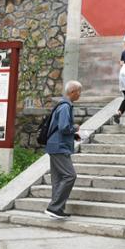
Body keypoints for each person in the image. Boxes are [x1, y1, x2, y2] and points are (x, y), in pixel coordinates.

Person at [44, 80, 83, 219]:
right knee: (70, 176)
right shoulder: (66, 106)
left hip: (54, 145)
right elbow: (64, 127)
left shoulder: (61, 104)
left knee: (58, 179)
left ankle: (57, 210)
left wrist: (73, 135)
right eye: (79, 91)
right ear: (73, 92)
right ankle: (54, 207)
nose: (80, 94)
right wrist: (75, 128)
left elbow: (60, 127)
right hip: (59, 146)